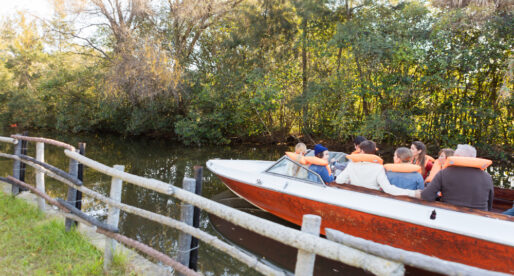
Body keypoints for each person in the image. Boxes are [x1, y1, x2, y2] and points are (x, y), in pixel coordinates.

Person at [417, 144, 494, 211]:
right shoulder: (487, 177)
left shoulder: (444, 173)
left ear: (456, 157)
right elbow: (489, 205)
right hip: (479, 218)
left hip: (449, 215)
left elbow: (426, 196)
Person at [336, 140, 417, 197]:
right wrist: (413, 193)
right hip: (372, 199)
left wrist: (349, 180)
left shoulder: (352, 165)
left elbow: (339, 180)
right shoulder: (379, 168)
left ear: (363, 151)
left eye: (359, 151)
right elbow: (388, 189)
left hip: (354, 196)